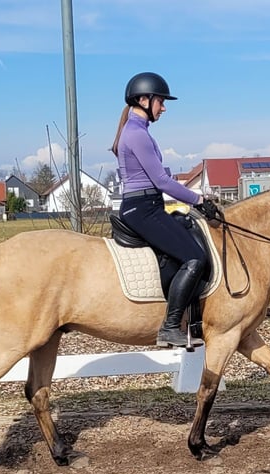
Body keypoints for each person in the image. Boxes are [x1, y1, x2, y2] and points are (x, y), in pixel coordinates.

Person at [111, 72, 217, 348]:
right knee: (195, 258)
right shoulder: (136, 134)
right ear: (144, 100)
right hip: (143, 209)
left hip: (148, 205)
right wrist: (198, 200)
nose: (164, 107)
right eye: (161, 101)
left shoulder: (138, 131)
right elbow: (161, 181)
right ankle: (170, 326)